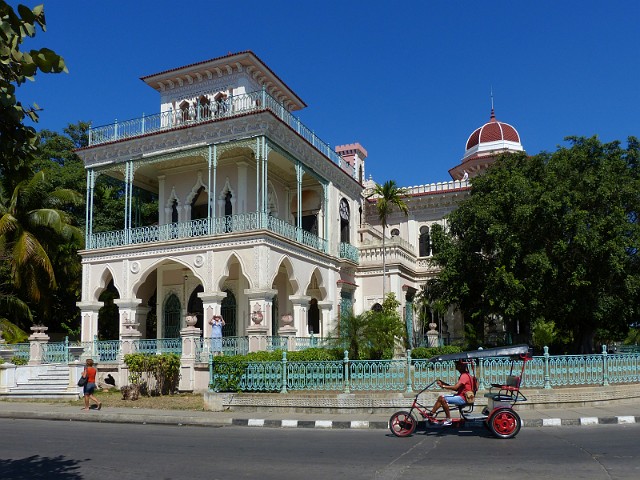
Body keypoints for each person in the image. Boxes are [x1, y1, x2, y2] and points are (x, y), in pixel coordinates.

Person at [428, 359, 473, 425]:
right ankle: (431, 414)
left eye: (457, 365)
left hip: (463, 398)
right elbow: (457, 389)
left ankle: (448, 419)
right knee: (441, 398)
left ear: (462, 366)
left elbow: (455, 387)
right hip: (461, 396)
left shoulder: (464, 376)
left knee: (442, 399)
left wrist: (443, 386)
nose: (456, 366)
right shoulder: (465, 375)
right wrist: (444, 383)